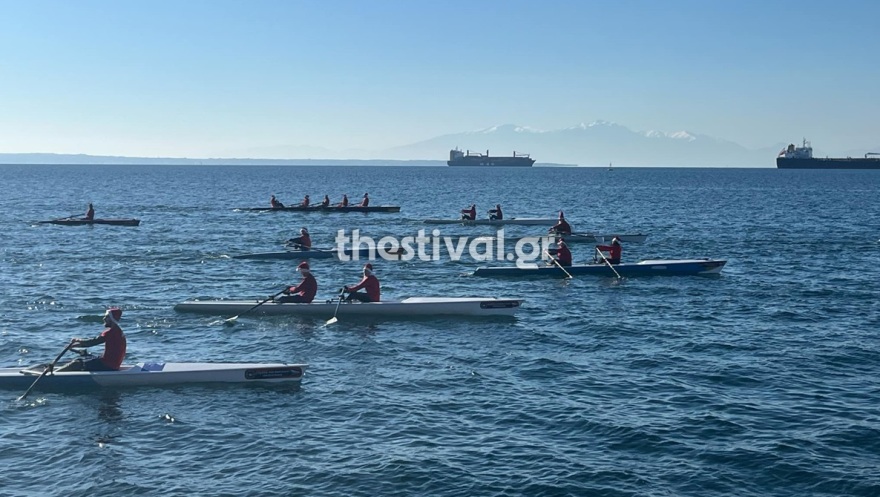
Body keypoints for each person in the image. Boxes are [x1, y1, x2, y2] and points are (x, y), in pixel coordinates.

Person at [56, 308, 126, 372]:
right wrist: (75, 345)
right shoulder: (119, 331)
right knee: (86, 356)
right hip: (113, 365)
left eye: (107, 317)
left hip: (108, 366)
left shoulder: (111, 332)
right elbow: (92, 342)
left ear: (112, 319)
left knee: (76, 363)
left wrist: (78, 340)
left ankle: (53, 375)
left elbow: (92, 342)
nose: (104, 319)